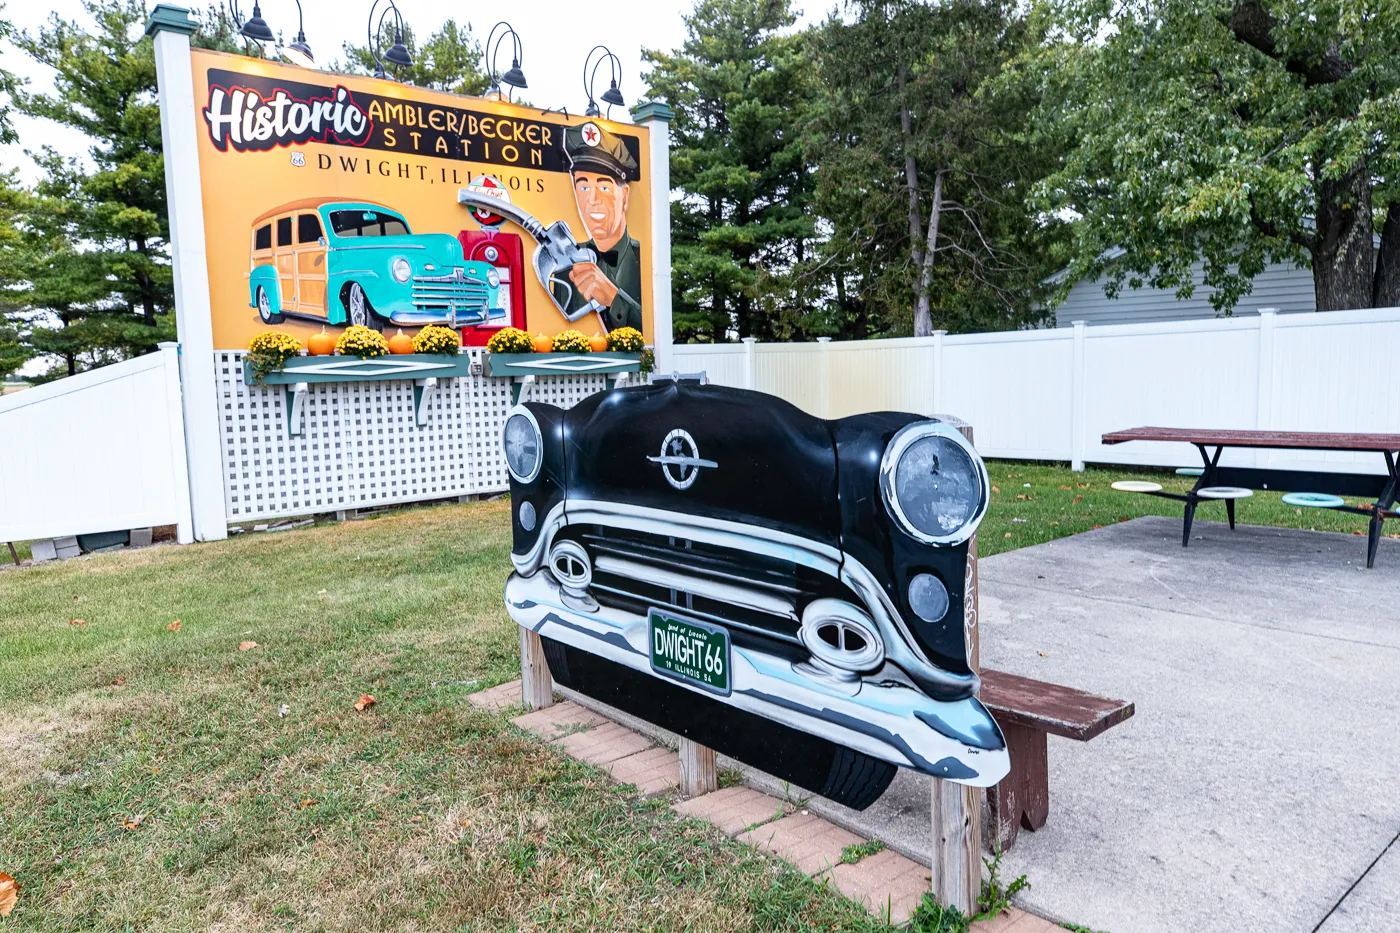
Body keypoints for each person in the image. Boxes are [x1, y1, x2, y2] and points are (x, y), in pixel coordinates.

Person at [553, 121, 643, 333]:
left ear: (625, 196)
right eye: (583, 186)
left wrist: (613, 298)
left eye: (604, 186)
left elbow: (656, 328)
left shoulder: (645, 260)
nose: (592, 199)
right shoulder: (566, 267)